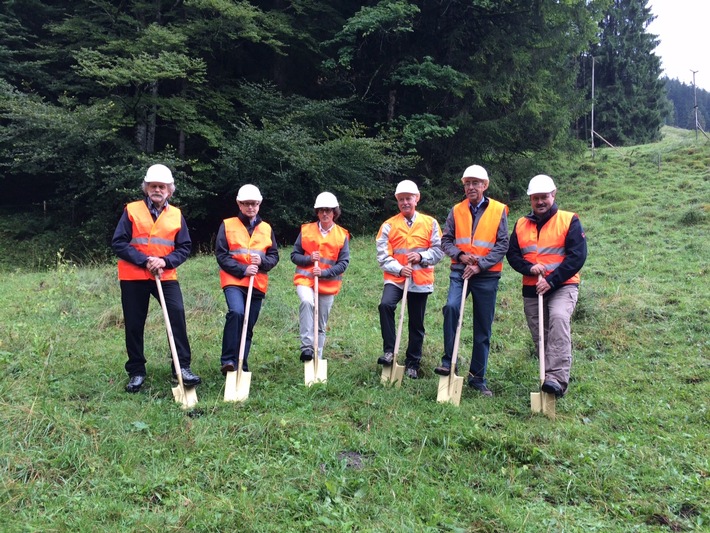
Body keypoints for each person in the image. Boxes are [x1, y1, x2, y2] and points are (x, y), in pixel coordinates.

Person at [112, 164, 201, 393]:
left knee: (177, 316)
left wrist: (165, 261)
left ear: (170, 190)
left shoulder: (176, 215)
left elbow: (184, 246)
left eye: (162, 186)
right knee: (134, 323)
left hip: (166, 274)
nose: (157, 190)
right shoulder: (131, 210)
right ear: (146, 188)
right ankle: (136, 371)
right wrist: (145, 260)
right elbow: (119, 243)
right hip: (133, 276)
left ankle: (182, 368)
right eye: (153, 186)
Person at [506, 174, 587, 398]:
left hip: (563, 285)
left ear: (553, 195)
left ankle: (557, 380)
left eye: (544, 197)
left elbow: (577, 256)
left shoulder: (569, 220)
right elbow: (512, 255)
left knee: (559, 320)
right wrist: (529, 268)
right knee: (540, 335)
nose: (540, 202)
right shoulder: (521, 223)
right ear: (530, 199)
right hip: (532, 288)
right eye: (536, 198)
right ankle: (546, 376)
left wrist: (552, 280)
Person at [434, 165, 509, 397]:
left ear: (485, 185)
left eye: (475, 183)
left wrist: (480, 265)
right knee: (451, 307)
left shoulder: (498, 210)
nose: (470, 187)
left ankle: (478, 378)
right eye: (467, 183)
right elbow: (445, 240)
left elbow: (502, 244)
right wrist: (461, 256)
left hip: (487, 275)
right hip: (460, 271)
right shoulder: (456, 210)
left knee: (482, 327)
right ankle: (449, 362)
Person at [375, 180, 444, 379]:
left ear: (417, 199)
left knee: (416, 323)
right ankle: (390, 351)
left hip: (420, 280)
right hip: (396, 279)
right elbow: (382, 256)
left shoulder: (430, 223)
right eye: (401, 199)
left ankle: (413, 363)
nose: (405, 202)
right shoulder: (388, 225)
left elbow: (439, 251)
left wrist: (422, 257)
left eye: (409, 198)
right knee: (385, 306)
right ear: (398, 201)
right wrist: (399, 269)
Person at [216, 184, 279, 375]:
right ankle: (228, 360)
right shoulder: (227, 225)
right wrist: (243, 269)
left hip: (257, 283)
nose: (250, 207)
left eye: (254, 204)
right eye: (246, 204)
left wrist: (262, 261)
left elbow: (274, 256)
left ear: (259, 204)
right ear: (239, 204)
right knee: (236, 313)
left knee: (248, 324)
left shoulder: (266, 228)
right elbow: (222, 255)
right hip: (234, 280)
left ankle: (241, 362)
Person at [291, 192, 350, 362]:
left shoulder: (342, 235)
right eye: (321, 210)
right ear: (317, 212)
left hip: (328, 285)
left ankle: (317, 357)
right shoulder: (306, 230)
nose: (325, 214)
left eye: (329, 210)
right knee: (307, 302)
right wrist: (309, 259)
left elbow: (343, 263)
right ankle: (307, 347)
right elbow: (294, 255)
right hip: (305, 280)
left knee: (321, 325)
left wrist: (324, 273)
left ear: (334, 212)